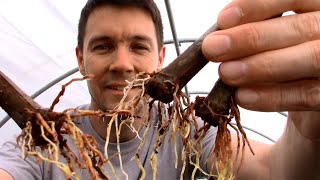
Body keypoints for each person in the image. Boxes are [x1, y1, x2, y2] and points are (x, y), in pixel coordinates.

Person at [0, 0, 319, 179]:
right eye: (103, 46)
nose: (122, 63)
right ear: (80, 61)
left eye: (138, 46)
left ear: (161, 57)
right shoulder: (38, 143)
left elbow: (275, 171)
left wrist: (307, 137)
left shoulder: (188, 133)